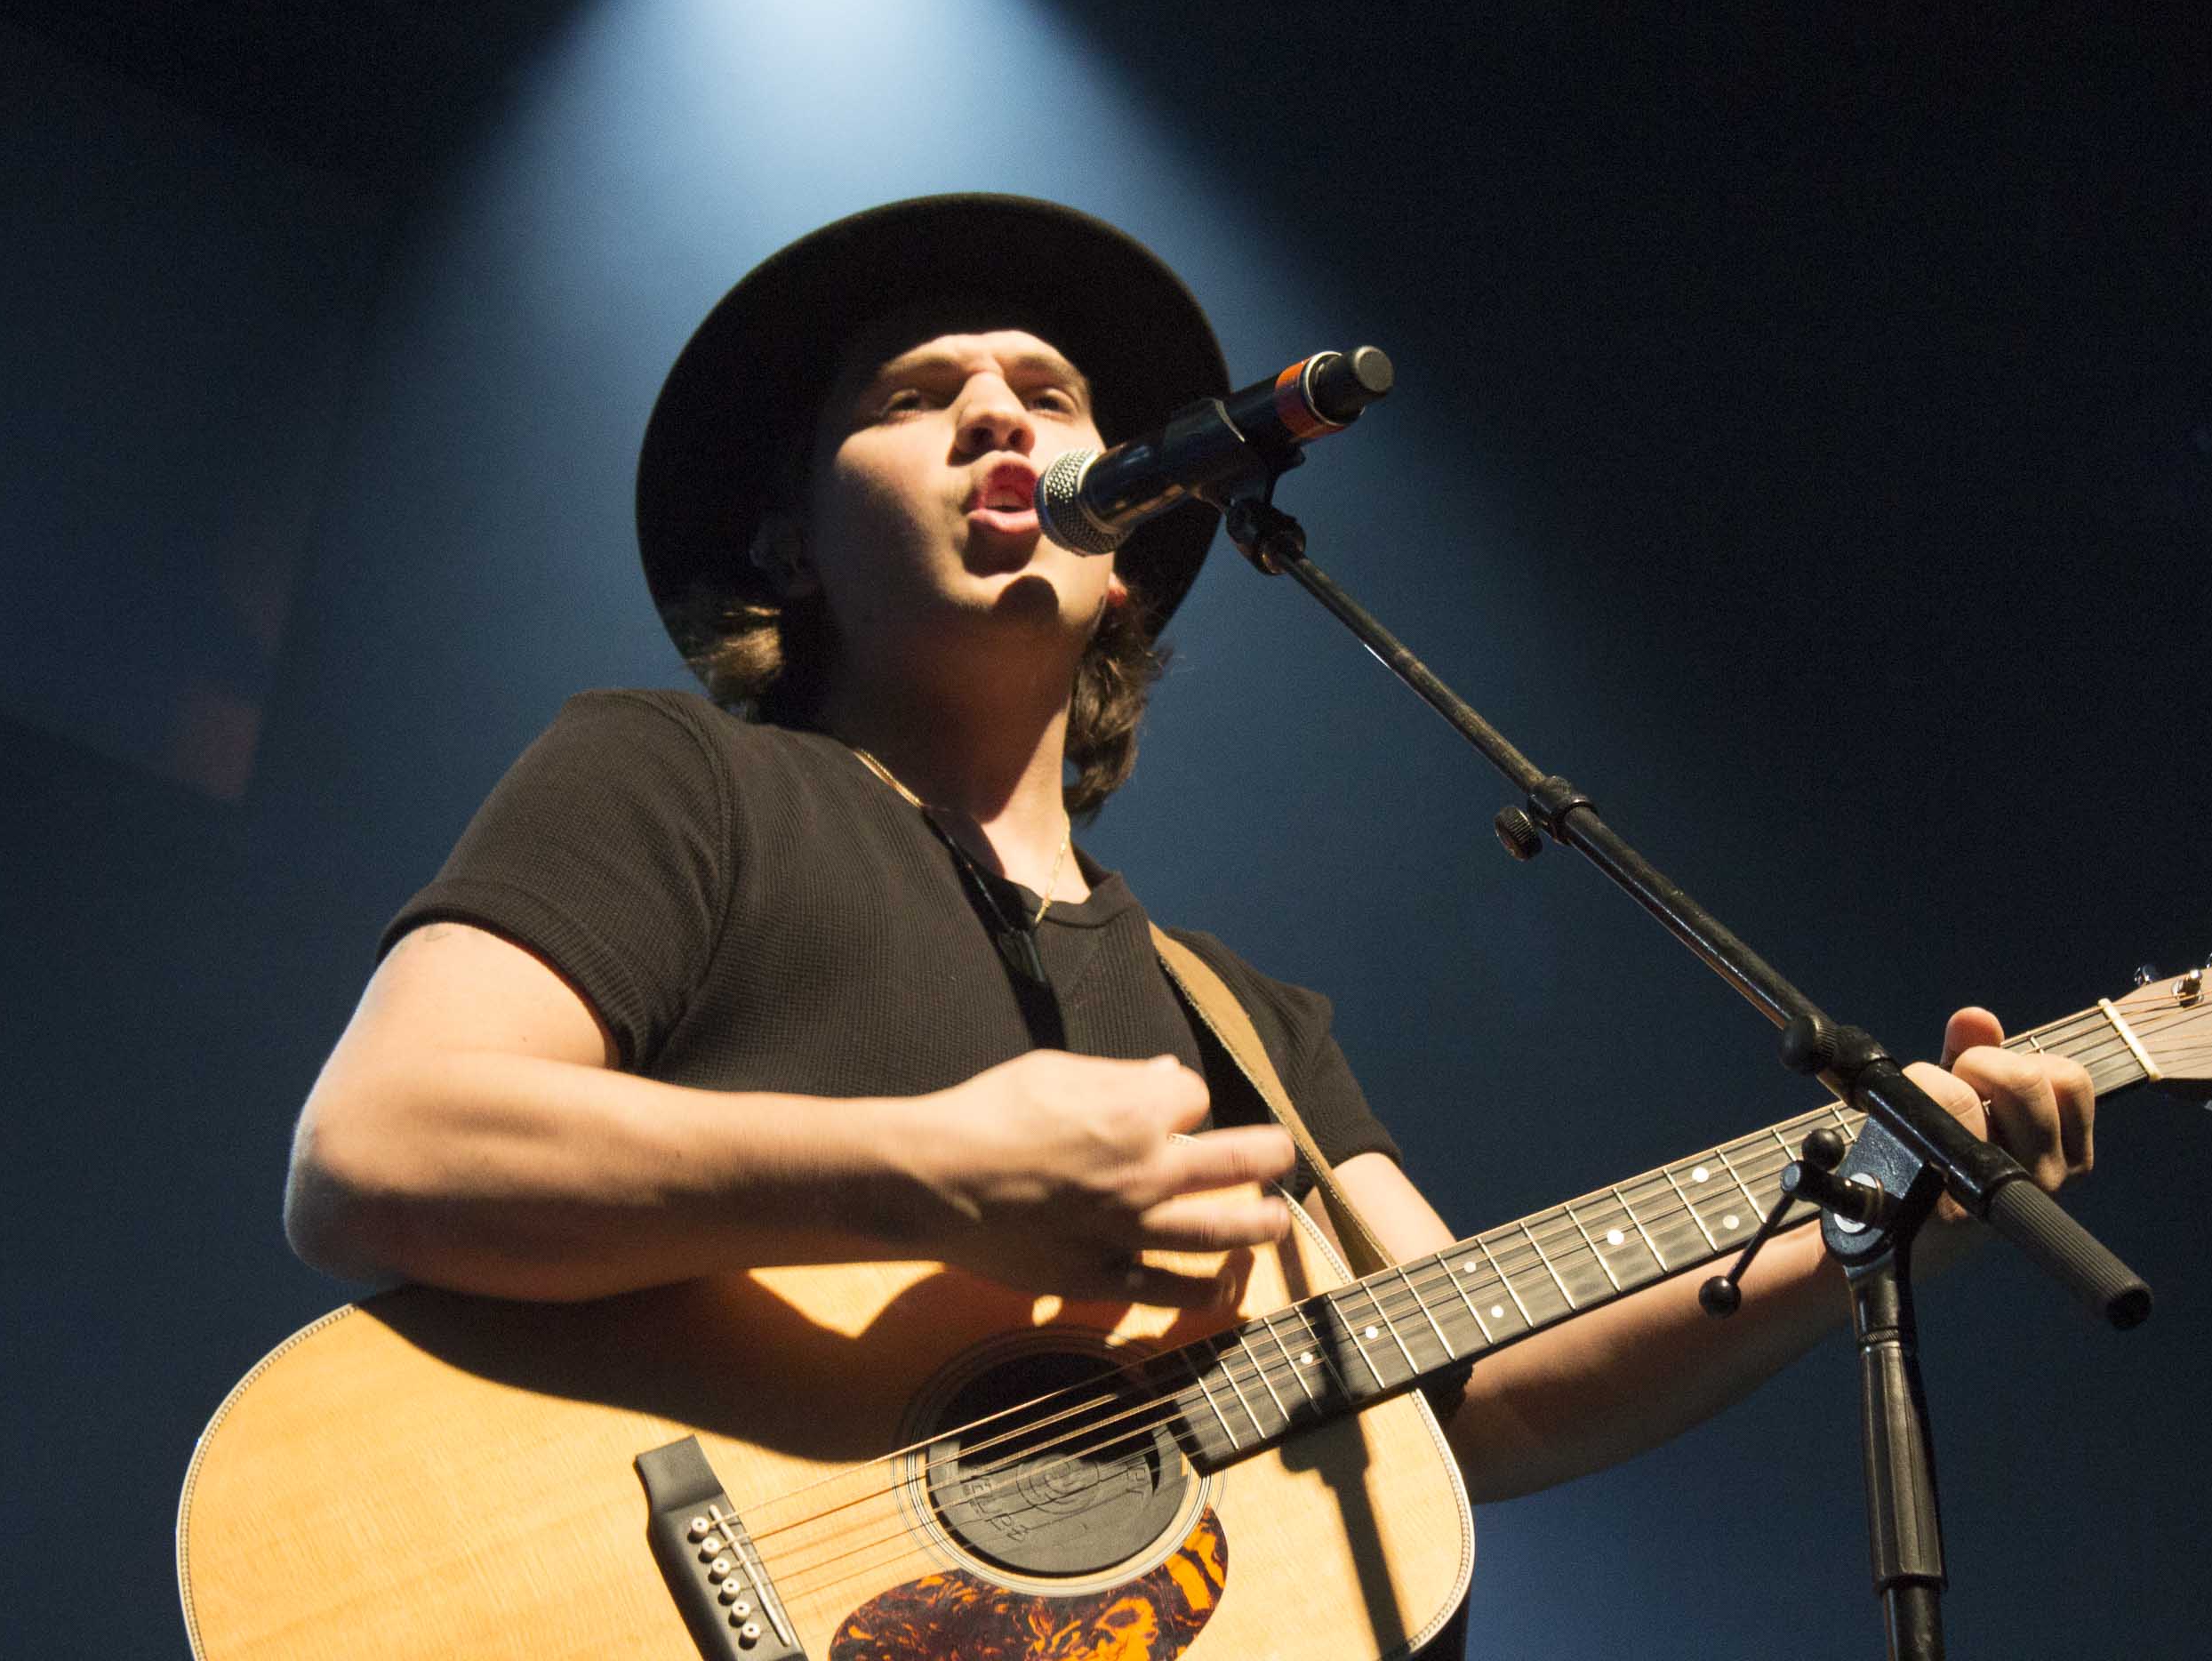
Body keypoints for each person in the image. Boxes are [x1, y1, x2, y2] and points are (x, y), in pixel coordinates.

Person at [283, 194, 2094, 1641]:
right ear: (786, 547)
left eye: (1052, 395)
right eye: (919, 393)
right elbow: (379, 1149)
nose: (1001, 409)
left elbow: (1491, 1391)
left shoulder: (1237, 1019)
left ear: (1139, 543)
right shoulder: (674, 778)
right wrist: (920, 1173)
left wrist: (1888, 1212)